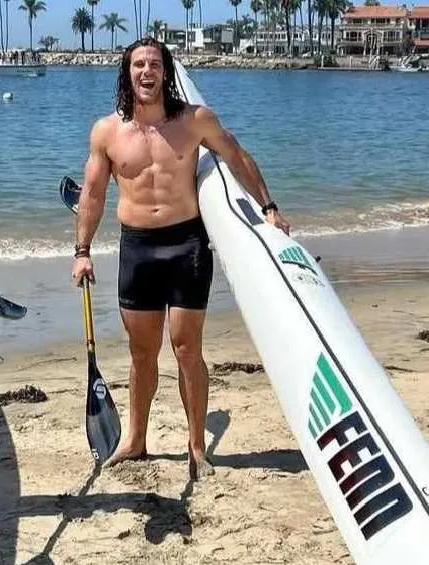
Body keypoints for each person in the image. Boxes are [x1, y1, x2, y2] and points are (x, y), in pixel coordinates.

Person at [70, 38, 290, 480]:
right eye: (138, 65)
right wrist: (82, 252)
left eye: (154, 64)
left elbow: (237, 155)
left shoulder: (195, 121)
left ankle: (195, 446)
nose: (146, 72)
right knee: (142, 354)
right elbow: (92, 194)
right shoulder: (107, 132)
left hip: (187, 245)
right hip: (137, 249)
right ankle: (135, 440)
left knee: (188, 349)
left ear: (166, 73)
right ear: (127, 73)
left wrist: (268, 206)